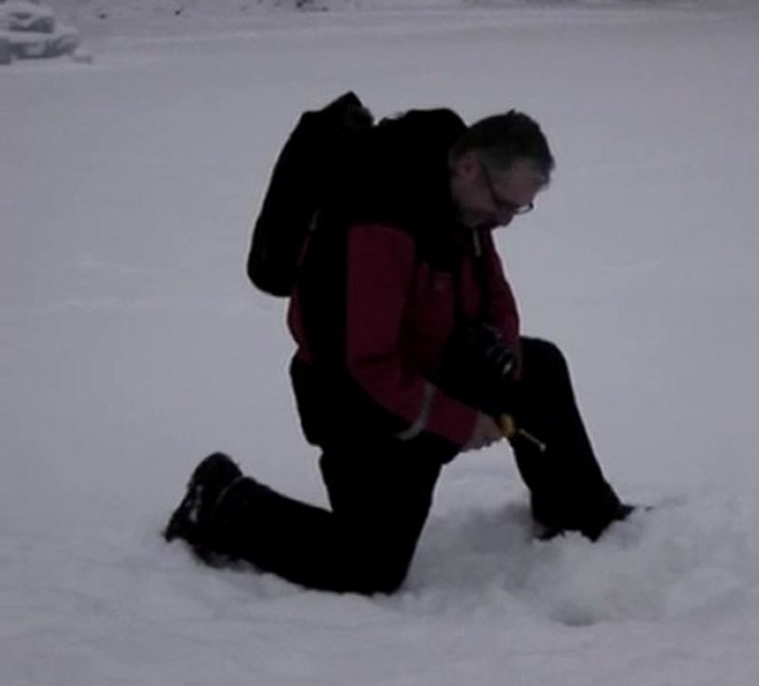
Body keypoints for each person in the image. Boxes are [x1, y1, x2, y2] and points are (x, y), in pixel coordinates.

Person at [164, 106, 632, 594]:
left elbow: (493, 289)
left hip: (430, 367)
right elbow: (369, 363)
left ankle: (579, 513)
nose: (505, 221)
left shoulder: (464, 202)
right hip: (356, 402)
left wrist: (504, 347)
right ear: (469, 165)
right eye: (502, 204)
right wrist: (460, 422)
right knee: (369, 566)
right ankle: (220, 501)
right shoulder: (379, 221)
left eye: (518, 209)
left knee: (540, 368)